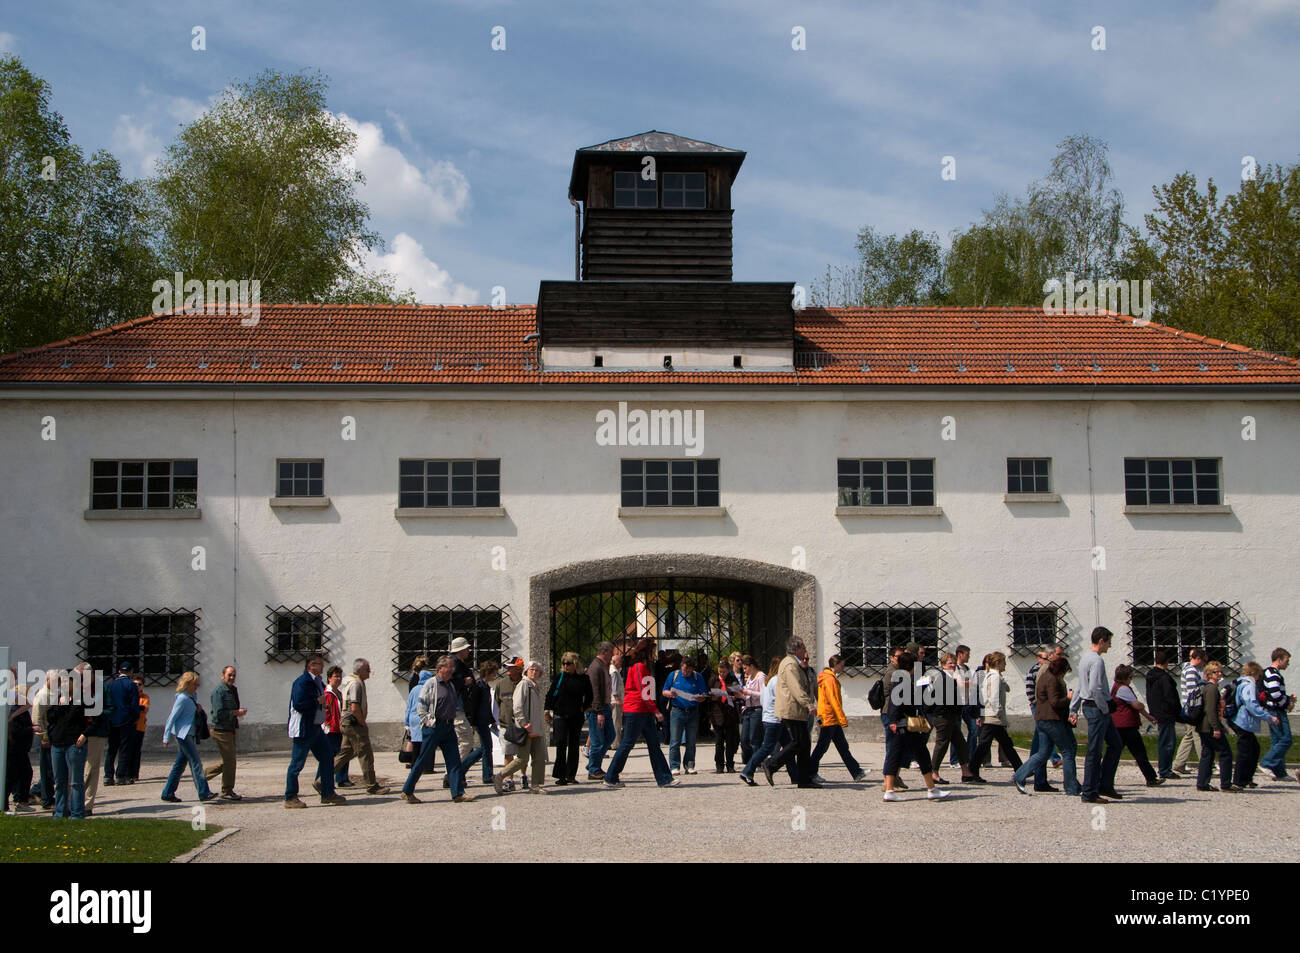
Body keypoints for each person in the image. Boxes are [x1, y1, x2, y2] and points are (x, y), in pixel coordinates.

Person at [601, 639, 678, 789]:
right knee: (628, 743)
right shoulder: (639, 667)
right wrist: (656, 711)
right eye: (653, 650)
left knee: (653, 744)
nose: (655, 654)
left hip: (643, 710)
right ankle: (610, 776)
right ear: (647, 651)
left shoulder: (643, 667)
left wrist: (652, 709)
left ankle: (665, 778)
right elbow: (644, 691)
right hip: (636, 710)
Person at [401, 656, 475, 803]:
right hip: (434, 727)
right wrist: (430, 723)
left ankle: (458, 793)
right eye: (449, 667)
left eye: (453, 667)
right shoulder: (430, 684)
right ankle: (407, 790)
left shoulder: (450, 685)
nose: (452, 670)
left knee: (453, 761)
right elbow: (421, 708)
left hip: (448, 726)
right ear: (440, 668)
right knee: (422, 760)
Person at [882, 650, 950, 801]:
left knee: (904, 754)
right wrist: (893, 721)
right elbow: (896, 702)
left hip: (903, 723)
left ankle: (890, 790)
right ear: (911, 665)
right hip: (905, 723)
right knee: (913, 754)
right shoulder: (903, 679)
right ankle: (930, 789)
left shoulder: (903, 678)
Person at [1013, 655, 1080, 796]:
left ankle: (1019, 776)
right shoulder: (1053, 680)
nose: (1065, 674)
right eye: (1065, 671)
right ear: (1061, 669)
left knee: (1043, 753)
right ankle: (1071, 787)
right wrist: (1068, 698)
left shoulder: (1045, 676)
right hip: (1051, 720)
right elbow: (1055, 702)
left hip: (1043, 719)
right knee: (1068, 751)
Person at [1069, 627, 1123, 804]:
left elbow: (1079, 686)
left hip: (1092, 706)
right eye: (1108, 642)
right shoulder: (1097, 661)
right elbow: (1094, 688)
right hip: (1097, 708)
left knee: (1115, 744)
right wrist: (1105, 708)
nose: (1109, 646)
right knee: (1094, 751)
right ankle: (1090, 791)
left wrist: (1073, 708)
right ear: (1101, 641)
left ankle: (1105, 784)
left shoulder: (1085, 658)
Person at [285, 654, 346, 808]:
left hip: (316, 726)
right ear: (311, 666)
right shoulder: (303, 682)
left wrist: (322, 706)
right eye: (319, 664)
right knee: (297, 763)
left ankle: (327, 792)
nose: (322, 667)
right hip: (303, 728)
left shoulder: (317, 681)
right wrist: (316, 702)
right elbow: (299, 704)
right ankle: (290, 796)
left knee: (327, 757)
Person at [761, 637, 819, 788]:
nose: (805, 650)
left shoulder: (793, 663)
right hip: (792, 709)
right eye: (803, 648)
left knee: (804, 744)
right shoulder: (790, 665)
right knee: (799, 743)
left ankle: (804, 779)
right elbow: (795, 687)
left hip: (795, 709)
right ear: (797, 649)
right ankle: (771, 764)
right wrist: (808, 704)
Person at [965, 653, 1024, 786]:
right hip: (993, 717)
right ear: (997, 663)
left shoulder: (994, 676)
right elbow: (994, 698)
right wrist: (1001, 715)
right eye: (1003, 662)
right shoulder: (995, 677)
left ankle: (1021, 770)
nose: (1005, 664)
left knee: (1005, 744)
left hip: (992, 716)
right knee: (985, 746)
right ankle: (971, 772)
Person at [159, 671, 217, 804]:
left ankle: (167, 793)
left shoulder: (191, 697)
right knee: (196, 762)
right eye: (194, 684)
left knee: (179, 765)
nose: (196, 687)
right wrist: (166, 737)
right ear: (188, 684)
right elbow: (171, 718)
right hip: (183, 734)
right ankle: (204, 792)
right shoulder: (182, 698)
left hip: (189, 733)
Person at [333, 658, 388, 796]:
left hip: (346, 721)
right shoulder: (356, 683)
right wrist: (362, 722)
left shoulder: (348, 680)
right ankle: (371, 785)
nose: (369, 671)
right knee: (366, 754)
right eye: (367, 669)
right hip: (354, 722)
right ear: (359, 670)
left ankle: (321, 780)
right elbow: (355, 706)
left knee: (345, 754)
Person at [495, 660, 550, 793]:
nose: (534, 672)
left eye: (537, 670)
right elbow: (517, 706)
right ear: (526, 671)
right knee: (522, 758)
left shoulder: (534, 686)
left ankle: (535, 785)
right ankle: (500, 776)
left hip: (536, 729)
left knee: (539, 757)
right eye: (532, 670)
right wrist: (524, 722)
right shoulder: (524, 684)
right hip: (526, 728)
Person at [809, 655, 865, 782]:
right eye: (842, 664)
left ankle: (856, 772)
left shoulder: (829, 677)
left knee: (842, 746)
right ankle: (811, 772)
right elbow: (833, 700)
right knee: (822, 747)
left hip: (831, 717)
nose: (843, 667)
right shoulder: (830, 679)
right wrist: (842, 718)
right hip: (829, 717)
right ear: (836, 664)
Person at [1228, 661, 1281, 789]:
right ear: (1254, 674)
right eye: (1259, 676)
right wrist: (1269, 717)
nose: (1259, 679)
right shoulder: (1249, 685)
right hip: (1243, 720)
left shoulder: (1239, 681)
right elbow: (1252, 704)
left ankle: (1246, 778)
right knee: (1245, 751)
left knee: (1254, 748)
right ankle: (1239, 781)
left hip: (1238, 719)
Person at [1110, 665, 1163, 787]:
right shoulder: (1123, 689)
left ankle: (1105, 777)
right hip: (1126, 725)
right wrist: (1143, 707)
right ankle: (1151, 778)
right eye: (1130, 677)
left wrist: (1149, 717)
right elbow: (1137, 706)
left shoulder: (1115, 687)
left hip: (1119, 725)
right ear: (1126, 677)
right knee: (1139, 752)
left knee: (1115, 752)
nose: (1131, 679)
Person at [46, 670, 88, 819]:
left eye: (65, 681)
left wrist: (85, 734)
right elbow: (51, 717)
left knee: (76, 782)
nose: (62, 684)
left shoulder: (83, 699)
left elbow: (95, 720)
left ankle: (77, 813)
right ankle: (60, 812)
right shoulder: (59, 698)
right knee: (60, 781)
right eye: (61, 682)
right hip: (57, 743)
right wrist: (60, 704)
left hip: (74, 744)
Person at [545, 652, 592, 785]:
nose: (565, 666)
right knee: (560, 743)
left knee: (573, 744)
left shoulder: (583, 678)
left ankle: (571, 774)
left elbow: (590, 695)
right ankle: (560, 775)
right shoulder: (560, 677)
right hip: (560, 714)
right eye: (564, 663)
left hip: (575, 715)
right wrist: (547, 710)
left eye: (568, 663)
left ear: (575, 664)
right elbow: (550, 694)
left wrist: (584, 706)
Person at [929, 653, 975, 784]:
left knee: (960, 743)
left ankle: (965, 771)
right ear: (943, 665)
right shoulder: (942, 678)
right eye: (950, 663)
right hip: (943, 716)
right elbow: (942, 699)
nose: (953, 665)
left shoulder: (951, 678)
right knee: (942, 744)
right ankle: (933, 772)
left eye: (954, 663)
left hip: (951, 716)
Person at [203, 665, 248, 800]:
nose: (232, 678)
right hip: (221, 730)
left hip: (230, 729)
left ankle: (200, 777)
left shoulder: (233, 690)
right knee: (230, 761)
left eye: (234, 675)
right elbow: (218, 714)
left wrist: (237, 714)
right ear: (222, 676)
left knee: (228, 761)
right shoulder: (219, 691)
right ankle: (227, 790)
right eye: (229, 675)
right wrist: (235, 713)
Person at [1195, 661, 1235, 793]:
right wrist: (1216, 728)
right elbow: (1211, 710)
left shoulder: (1208, 687)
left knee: (1207, 753)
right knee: (1225, 753)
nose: (1219, 674)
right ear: (1209, 674)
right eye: (1216, 672)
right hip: (1209, 726)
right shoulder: (1211, 689)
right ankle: (1226, 783)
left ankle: (1202, 783)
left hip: (1204, 726)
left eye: (1219, 671)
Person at [665, 654, 708, 774]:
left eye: (689, 670)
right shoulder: (673, 675)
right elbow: (664, 691)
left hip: (692, 710)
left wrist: (701, 697)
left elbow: (704, 693)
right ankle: (674, 766)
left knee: (691, 740)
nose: (686, 673)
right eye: (684, 670)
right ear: (681, 667)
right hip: (677, 710)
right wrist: (670, 694)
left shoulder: (697, 677)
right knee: (675, 740)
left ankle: (689, 764)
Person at [461, 659, 500, 786]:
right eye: (494, 673)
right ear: (488, 673)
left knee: (486, 748)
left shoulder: (486, 687)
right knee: (486, 748)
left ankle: (486, 774)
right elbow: (473, 706)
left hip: (484, 720)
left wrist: (492, 720)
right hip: (479, 721)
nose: (495, 675)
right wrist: (472, 723)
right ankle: (466, 769)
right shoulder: (478, 687)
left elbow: (487, 707)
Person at [1144, 649, 1182, 781]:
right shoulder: (1164, 678)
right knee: (1168, 742)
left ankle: (1164, 768)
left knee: (1164, 740)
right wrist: (1177, 711)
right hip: (1166, 713)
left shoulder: (1150, 676)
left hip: (1157, 711)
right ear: (1167, 662)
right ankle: (1165, 769)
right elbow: (1170, 697)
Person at [1258, 649, 1294, 782]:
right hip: (1276, 710)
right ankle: (1266, 762)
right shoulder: (1272, 673)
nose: (1288, 664)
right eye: (1286, 661)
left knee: (1277, 740)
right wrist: (1287, 703)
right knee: (1286, 739)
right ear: (1279, 659)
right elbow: (1275, 694)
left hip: (1274, 709)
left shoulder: (1271, 673)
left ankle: (1279, 771)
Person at [80, 664, 111, 815]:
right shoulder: (78, 688)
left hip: (96, 732)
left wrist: (95, 712)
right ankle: (74, 801)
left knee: (91, 769)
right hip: (78, 732)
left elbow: (110, 709)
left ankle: (87, 805)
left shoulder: (102, 688)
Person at [1171, 648, 1207, 776]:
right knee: (1197, 735)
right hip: (1192, 709)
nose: (1204, 664)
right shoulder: (1192, 671)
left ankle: (1179, 764)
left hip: (1188, 708)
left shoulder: (1188, 669)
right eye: (1203, 661)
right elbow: (1194, 691)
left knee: (1189, 736)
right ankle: (1206, 762)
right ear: (1198, 659)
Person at [104, 661, 140, 786]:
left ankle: (108, 776)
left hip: (112, 719)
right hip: (126, 720)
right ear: (130, 671)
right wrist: (135, 717)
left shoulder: (111, 684)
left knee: (111, 749)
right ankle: (120, 776)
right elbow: (134, 704)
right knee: (124, 748)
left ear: (119, 671)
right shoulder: (131, 685)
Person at [5, 668, 35, 811]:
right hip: (14, 750)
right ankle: (4, 805)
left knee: (26, 774)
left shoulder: (22, 711)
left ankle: (22, 802)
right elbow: (15, 731)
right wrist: (32, 729)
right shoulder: (15, 711)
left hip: (21, 750)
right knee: (10, 777)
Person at [494, 657, 525, 791]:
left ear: (518, 669)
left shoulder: (525, 683)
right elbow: (498, 701)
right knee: (508, 753)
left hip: (521, 725)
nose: (508, 669)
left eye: (511, 667)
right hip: (506, 724)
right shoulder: (501, 684)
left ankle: (523, 776)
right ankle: (509, 780)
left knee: (522, 754)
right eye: (507, 667)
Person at [585, 642, 615, 780]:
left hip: (605, 707)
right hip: (597, 709)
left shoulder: (603, 666)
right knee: (597, 741)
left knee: (610, 736)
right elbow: (594, 691)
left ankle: (593, 763)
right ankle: (594, 770)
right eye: (611, 652)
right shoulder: (595, 667)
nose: (613, 654)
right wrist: (599, 712)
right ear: (605, 652)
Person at [707, 658, 741, 773]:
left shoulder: (732, 679)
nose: (722, 674)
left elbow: (738, 692)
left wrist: (733, 697)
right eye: (720, 671)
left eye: (724, 672)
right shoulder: (713, 680)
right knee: (719, 741)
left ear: (728, 670)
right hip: (717, 714)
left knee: (730, 741)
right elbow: (708, 694)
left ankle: (730, 764)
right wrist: (713, 696)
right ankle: (719, 764)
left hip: (730, 714)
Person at [450, 637, 478, 767]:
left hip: (459, 708)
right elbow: (450, 683)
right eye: (466, 648)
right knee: (466, 742)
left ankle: (454, 772)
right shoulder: (454, 664)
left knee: (461, 742)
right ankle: (452, 772)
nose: (469, 651)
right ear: (460, 650)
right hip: (457, 709)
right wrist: (464, 682)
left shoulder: (458, 664)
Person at [404, 662, 435, 776]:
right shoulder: (429, 688)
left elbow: (409, 705)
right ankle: (427, 768)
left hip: (413, 718)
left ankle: (414, 766)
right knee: (427, 744)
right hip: (424, 717)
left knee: (415, 743)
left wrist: (406, 722)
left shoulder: (414, 689)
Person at [31, 671, 55, 809]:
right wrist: (44, 737)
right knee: (47, 770)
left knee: (51, 770)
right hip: (47, 737)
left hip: (53, 736)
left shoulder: (52, 694)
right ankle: (45, 797)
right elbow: (37, 720)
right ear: (47, 680)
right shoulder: (42, 696)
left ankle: (42, 793)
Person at [321, 665, 345, 788]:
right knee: (329, 755)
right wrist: (329, 724)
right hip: (331, 729)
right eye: (336, 676)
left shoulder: (338, 693)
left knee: (341, 753)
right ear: (329, 678)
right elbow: (326, 711)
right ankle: (320, 779)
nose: (338, 679)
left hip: (339, 727)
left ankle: (341, 778)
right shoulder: (328, 693)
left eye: (340, 676)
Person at [738, 655, 765, 768]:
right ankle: (750, 761)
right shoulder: (749, 678)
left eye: (745, 668)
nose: (745, 671)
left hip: (757, 709)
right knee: (744, 739)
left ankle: (756, 763)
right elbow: (748, 695)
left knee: (755, 738)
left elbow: (763, 694)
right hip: (748, 709)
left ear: (752, 666)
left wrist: (748, 692)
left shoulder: (761, 676)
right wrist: (740, 695)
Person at [127, 673, 149, 783]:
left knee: (136, 751)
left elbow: (145, 709)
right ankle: (127, 772)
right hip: (130, 726)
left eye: (139, 684)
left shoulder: (144, 697)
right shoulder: (129, 695)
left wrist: (135, 707)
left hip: (140, 727)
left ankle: (135, 773)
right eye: (135, 684)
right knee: (128, 750)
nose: (137, 686)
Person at [609, 644, 625, 751]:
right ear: (614, 662)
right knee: (616, 722)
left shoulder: (611, 670)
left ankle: (613, 742)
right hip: (615, 701)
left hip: (612, 700)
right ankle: (615, 743)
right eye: (619, 662)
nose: (621, 663)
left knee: (614, 721)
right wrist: (618, 699)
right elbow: (614, 687)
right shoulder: (614, 672)